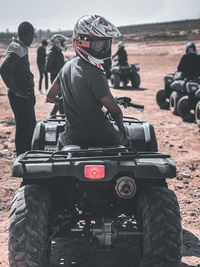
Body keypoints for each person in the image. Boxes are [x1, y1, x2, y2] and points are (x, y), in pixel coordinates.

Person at [47, 14, 129, 148]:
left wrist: (64, 101)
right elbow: (115, 111)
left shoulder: (65, 67)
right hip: (102, 136)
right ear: (81, 43)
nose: (103, 49)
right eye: (98, 45)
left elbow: (50, 96)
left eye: (105, 44)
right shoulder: (95, 73)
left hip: (72, 137)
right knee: (127, 139)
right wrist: (122, 127)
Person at [0, 21, 36, 156]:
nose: (32, 39)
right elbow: (4, 69)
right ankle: (22, 158)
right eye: (31, 36)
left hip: (24, 96)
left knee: (30, 127)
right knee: (24, 129)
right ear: (26, 35)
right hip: (20, 97)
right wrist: (16, 90)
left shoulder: (18, 46)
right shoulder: (17, 48)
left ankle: (28, 156)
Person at [45, 34, 68, 116]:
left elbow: (59, 64)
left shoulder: (58, 51)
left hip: (61, 78)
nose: (64, 44)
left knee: (61, 99)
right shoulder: (52, 53)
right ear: (57, 42)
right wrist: (59, 72)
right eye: (62, 42)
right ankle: (62, 118)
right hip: (56, 79)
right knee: (61, 99)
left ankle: (53, 115)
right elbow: (47, 68)